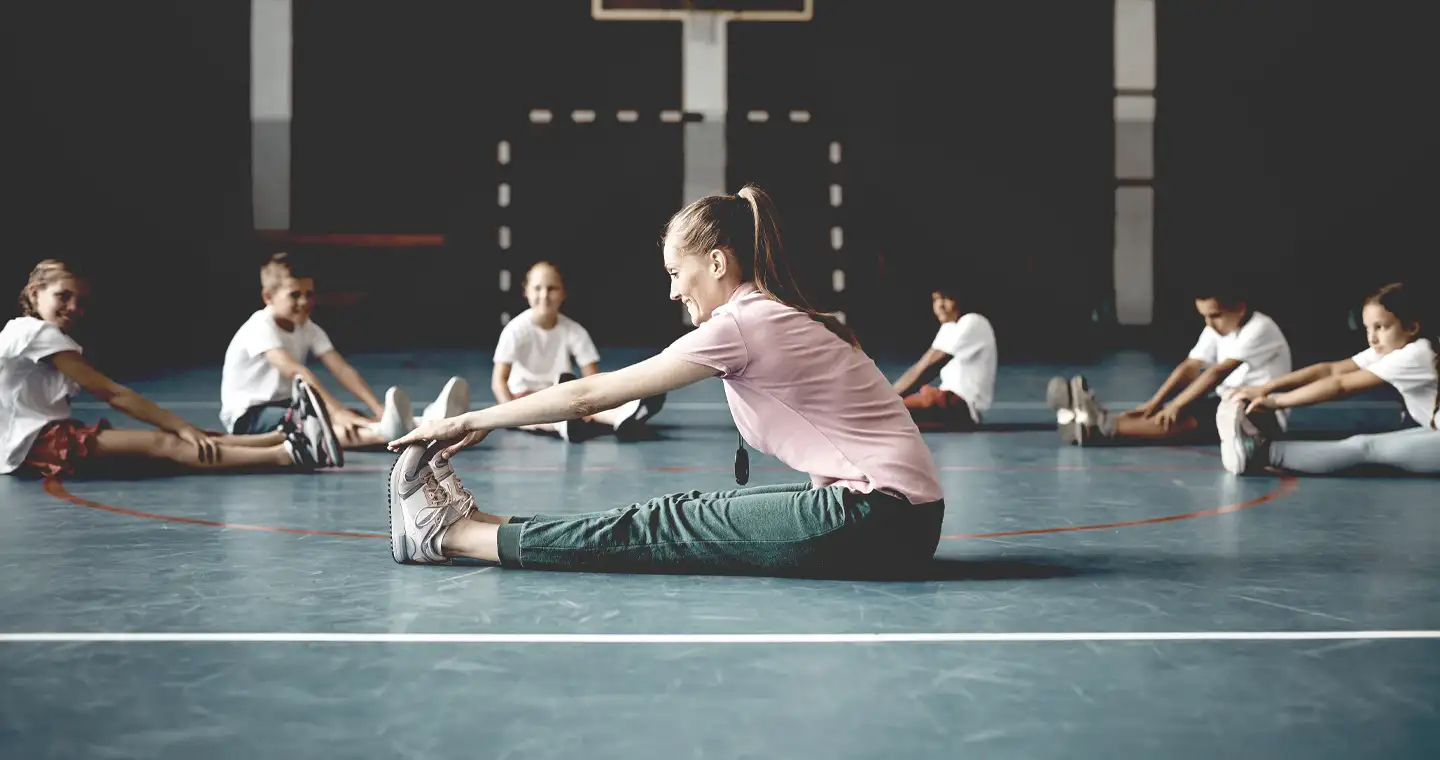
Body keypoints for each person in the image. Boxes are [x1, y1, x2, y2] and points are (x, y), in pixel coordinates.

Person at [385, 186, 946, 578]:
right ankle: (480, 525)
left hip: (881, 520)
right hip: (897, 519)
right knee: (680, 512)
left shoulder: (742, 324)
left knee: (664, 524)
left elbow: (588, 394)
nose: (673, 292)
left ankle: (449, 537)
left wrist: (467, 419)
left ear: (719, 264)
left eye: (678, 273)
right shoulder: (776, 312)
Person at [2, 260, 336, 477]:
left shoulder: (26, 331)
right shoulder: (35, 333)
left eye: (80, 301)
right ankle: (288, 455)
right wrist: (181, 427)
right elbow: (111, 393)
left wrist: (184, 427)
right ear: (35, 293)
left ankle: (280, 436)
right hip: (33, 442)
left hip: (34, 436)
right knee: (167, 443)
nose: (74, 308)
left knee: (182, 435)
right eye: (63, 297)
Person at [220, 252, 468, 450]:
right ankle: (398, 431)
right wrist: (334, 411)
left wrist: (377, 408)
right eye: (295, 294)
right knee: (322, 422)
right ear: (268, 297)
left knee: (353, 416)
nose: (305, 301)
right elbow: (296, 371)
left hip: (286, 405)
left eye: (309, 294)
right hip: (248, 417)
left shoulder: (307, 327)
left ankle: (422, 424)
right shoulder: (259, 328)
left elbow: (340, 368)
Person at [1220, 282, 1438, 476]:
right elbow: (1331, 370)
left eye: (1381, 327)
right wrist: (1266, 388)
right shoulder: (1392, 348)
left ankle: (1260, 453)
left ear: (1411, 327)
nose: (1372, 338)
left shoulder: (1417, 354)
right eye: (1367, 328)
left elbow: (1340, 385)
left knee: (1366, 447)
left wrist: (1276, 402)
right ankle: (1263, 451)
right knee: (1363, 445)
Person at [1047, 285, 1292, 445]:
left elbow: (1216, 373)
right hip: (1230, 400)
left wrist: (1174, 405)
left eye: (1215, 315)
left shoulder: (1260, 328)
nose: (1209, 323)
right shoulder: (1216, 327)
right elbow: (1190, 367)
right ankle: (1084, 421)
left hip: (1263, 414)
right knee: (1179, 412)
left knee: (1189, 417)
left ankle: (1099, 425)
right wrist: (1155, 403)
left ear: (1239, 308)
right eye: (1204, 316)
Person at [492, 260, 662, 442]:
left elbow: (593, 380)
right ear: (526, 291)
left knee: (581, 400)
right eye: (537, 288)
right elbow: (499, 381)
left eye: (552, 289)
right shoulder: (515, 330)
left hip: (559, 394)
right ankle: (562, 423)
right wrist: (513, 416)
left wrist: (593, 403)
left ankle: (621, 415)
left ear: (563, 293)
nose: (544, 295)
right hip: (523, 398)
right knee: (546, 411)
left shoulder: (574, 331)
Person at [890, 285, 996, 430]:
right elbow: (922, 364)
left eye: (946, 298)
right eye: (936, 299)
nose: (940, 305)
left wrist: (885, 399)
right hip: (944, 402)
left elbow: (929, 367)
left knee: (882, 414)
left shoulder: (973, 321)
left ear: (960, 300)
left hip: (960, 408)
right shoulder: (948, 328)